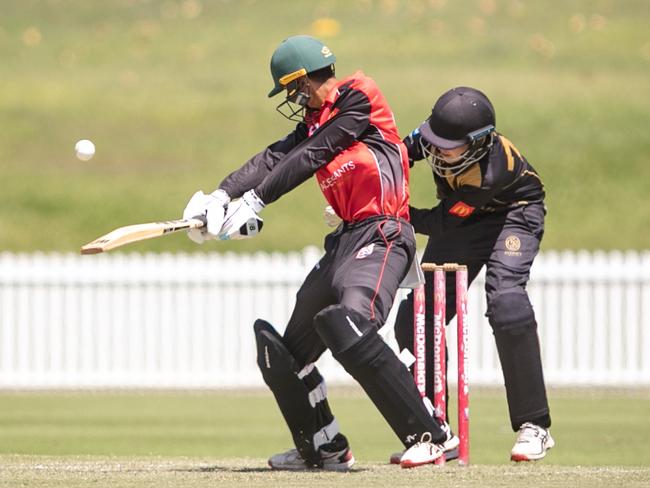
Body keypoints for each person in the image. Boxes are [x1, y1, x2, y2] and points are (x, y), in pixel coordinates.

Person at [181, 35, 457, 470]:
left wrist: (255, 201)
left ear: (305, 81)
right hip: (346, 240)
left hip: (383, 234)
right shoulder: (314, 123)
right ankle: (324, 448)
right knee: (283, 355)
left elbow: (316, 152)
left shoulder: (359, 98)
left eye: (292, 89)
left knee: (349, 323)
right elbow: (275, 158)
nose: (293, 98)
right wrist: (221, 195)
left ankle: (431, 435)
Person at [392, 86, 554, 462]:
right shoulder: (434, 135)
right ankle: (437, 432)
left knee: (507, 304)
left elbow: (437, 222)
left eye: (448, 146)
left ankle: (535, 427)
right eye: (433, 140)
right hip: (464, 221)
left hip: (514, 214)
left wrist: (387, 212)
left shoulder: (490, 173)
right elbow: (398, 153)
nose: (436, 150)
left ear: (479, 143)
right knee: (415, 318)